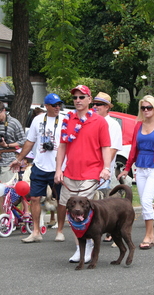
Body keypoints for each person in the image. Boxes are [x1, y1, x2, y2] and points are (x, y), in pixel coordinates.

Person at [54, 85, 111, 263]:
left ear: (89, 99)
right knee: (72, 211)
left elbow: (105, 147)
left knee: (84, 212)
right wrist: (58, 169)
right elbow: (62, 146)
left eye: (81, 97)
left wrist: (106, 168)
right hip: (71, 173)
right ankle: (80, 248)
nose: (77, 100)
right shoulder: (67, 120)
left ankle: (89, 248)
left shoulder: (100, 122)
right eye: (75, 98)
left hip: (91, 173)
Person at [117, 95, 154, 250]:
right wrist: (127, 168)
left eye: (149, 107)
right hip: (140, 168)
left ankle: (148, 236)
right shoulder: (138, 125)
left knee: (147, 201)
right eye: (143, 108)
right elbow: (134, 149)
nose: (146, 110)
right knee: (144, 202)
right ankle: (152, 236)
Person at [9, 93, 64, 243]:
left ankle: (59, 230)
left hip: (58, 167)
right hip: (40, 166)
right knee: (34, 198)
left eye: (59, 104)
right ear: (46, 106)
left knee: (61, 200)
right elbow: (30, 141)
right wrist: (19, 159)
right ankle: (36, 232)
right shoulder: (38, 120)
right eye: (54, 105)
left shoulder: (65, 120)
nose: (58, 107)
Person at [91, 92, 123, 243]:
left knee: (104, 201)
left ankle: (112, 229)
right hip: (89, 169)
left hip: (103, 170)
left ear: (107, 107)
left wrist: (102, 167)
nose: (95, 107)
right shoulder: (91, 121)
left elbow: (112, 149)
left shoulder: (113, 125)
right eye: (94, 104)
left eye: (98, 104)